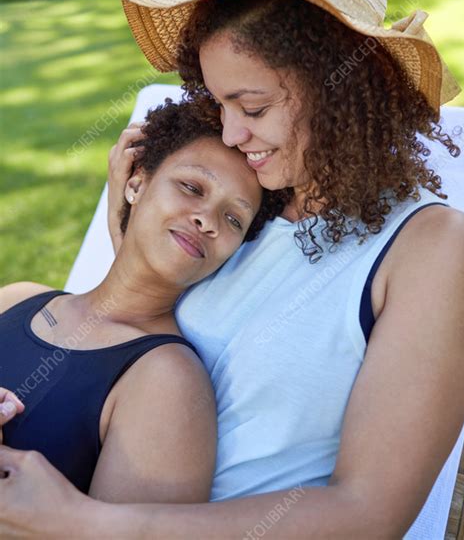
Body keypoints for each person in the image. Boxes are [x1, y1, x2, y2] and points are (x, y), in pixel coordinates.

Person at [0, 0, 464, 539]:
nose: (230, 135)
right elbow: (123, 332)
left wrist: (85, 520)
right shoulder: (243, 205)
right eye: (219, 106)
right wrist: (137, 210)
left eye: (252, 109)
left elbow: (368, 514)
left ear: (340, 91)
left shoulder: (429, 250)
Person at [0, 98, 284, 504]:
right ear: (136, 184)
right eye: (191, 187)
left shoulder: (166, 382)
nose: (207, 218)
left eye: (233, 219)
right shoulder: (17, 299)